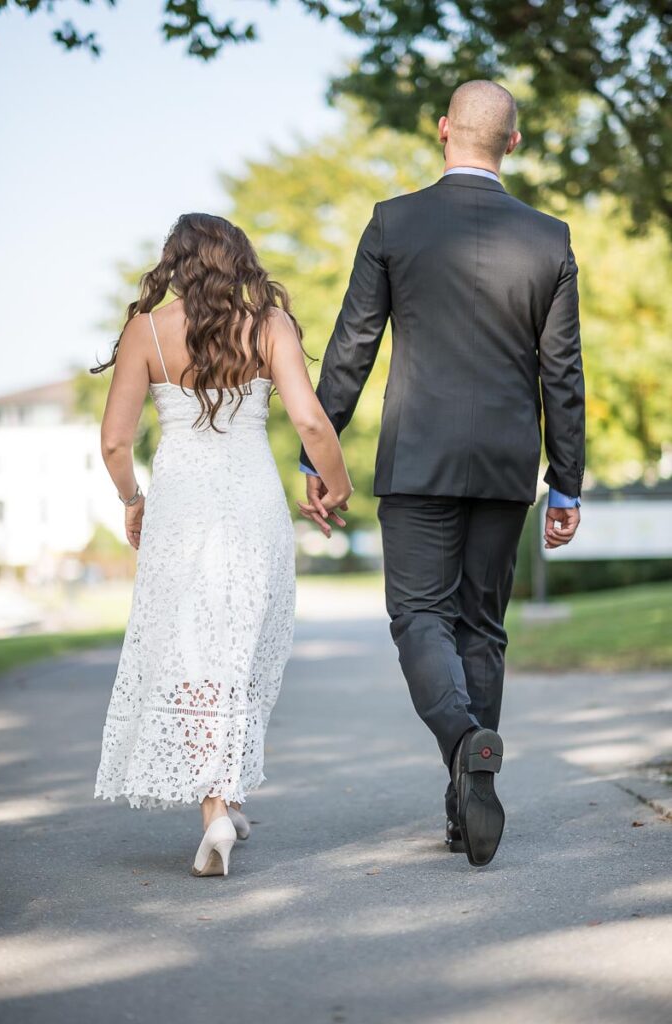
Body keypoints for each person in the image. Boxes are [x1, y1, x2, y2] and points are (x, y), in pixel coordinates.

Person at [299, 80, 585, 867]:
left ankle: (464, 743)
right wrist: (566, 482)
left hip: (417, 456)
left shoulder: (394, 222)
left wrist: (315, 457)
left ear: (440, 131)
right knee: (480, 628)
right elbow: (561, 372)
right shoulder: (548, 237)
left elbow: (351, 346)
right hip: (502, 462)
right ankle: (466, 801)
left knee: (418, 617)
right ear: (513, 143)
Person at [93, 213, 352, 877]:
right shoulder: (269, 325)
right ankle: (217, 806)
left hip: (179, 507)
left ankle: (223, 802)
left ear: (174, 264)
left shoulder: (146, 331)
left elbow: (117, 443)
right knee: (241, 646)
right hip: (251, 504)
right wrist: (337, 482)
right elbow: (308, 419)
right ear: (238, 258)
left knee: (194, 648)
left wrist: (132, 501)